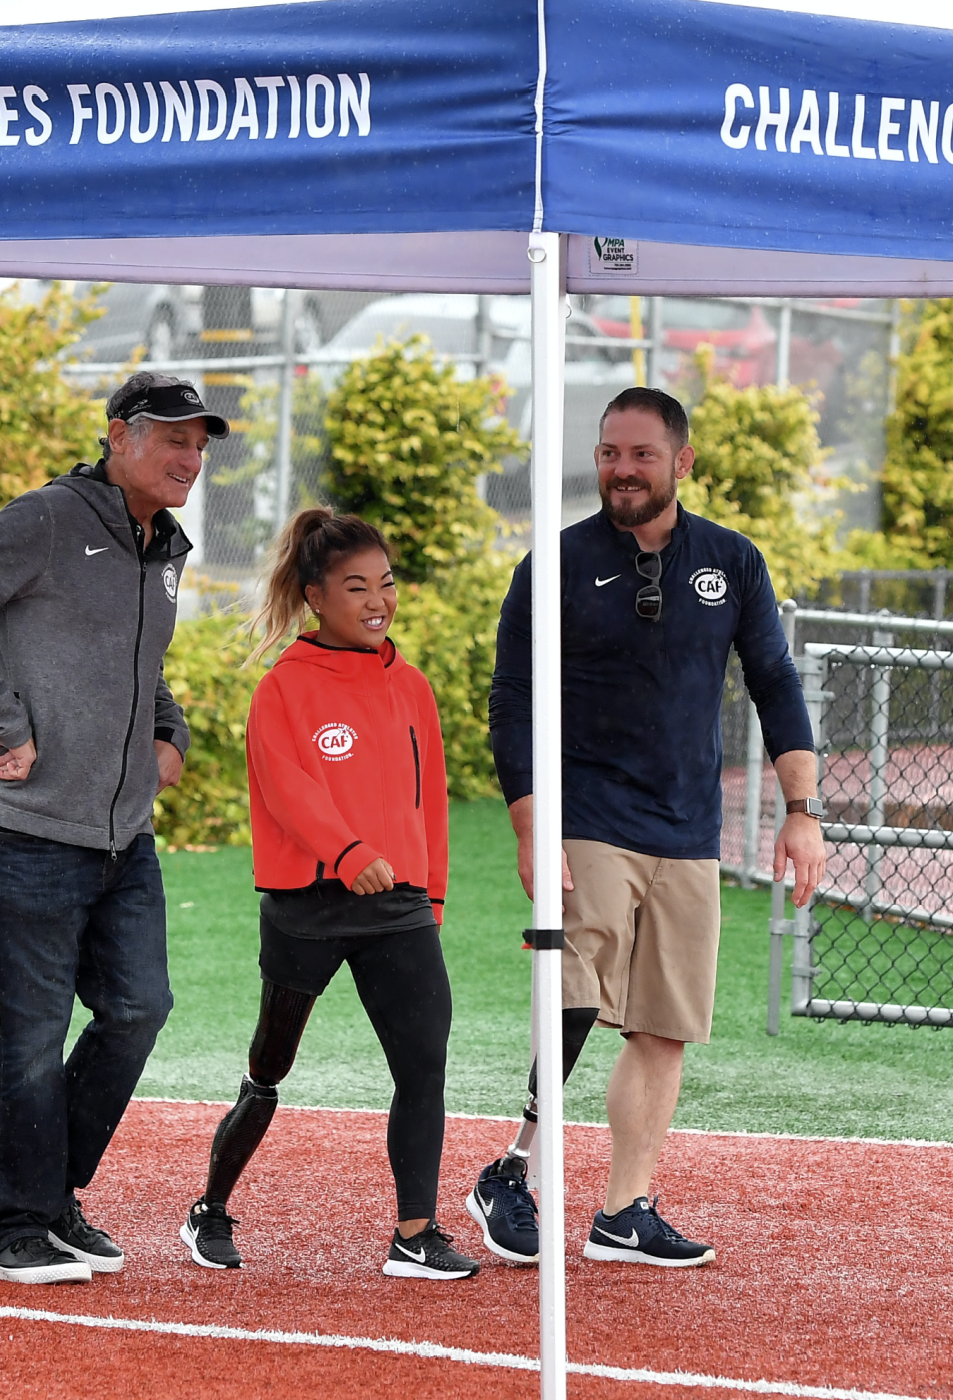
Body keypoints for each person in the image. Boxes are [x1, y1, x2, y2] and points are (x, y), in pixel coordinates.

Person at [465, 385, 827, 1269]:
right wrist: (528, 824)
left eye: (641, 455)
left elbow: (774, 681)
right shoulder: (550, 565)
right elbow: (511, 702)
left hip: (686, 830)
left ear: (682, 462)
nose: (622, 470)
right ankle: (514, 1170)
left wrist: (803, 810)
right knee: (577, 992)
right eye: (609, 453)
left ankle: (625, 1210)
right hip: (585, 813)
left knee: (663, 1027)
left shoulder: (733, 561)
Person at [0, 372, 215, 1286]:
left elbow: (140, 661)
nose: (189, 459)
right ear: (119, 436)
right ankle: (16, 1226)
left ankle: (52, 1194)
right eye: (171, 439)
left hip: (122, 836)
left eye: (199, 445)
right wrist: (5, 720)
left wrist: (170, 732)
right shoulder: (44, 519)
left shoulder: (165, 544)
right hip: (24, 828)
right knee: (34, 1033)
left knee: (137, 1008)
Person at [177, 509, 481, 1281]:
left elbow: (430, 799)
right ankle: (210, 1208)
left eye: (386, 584)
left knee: (424, 1067)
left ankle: (415, 1233)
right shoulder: (284, 687)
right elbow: (287, 790)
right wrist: (348, 853)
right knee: (269, 1067)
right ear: (316, 596)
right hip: (309, 907)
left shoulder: (412, 686)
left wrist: (432, 898)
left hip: (400, 909)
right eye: (356, 588)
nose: (378, 600)